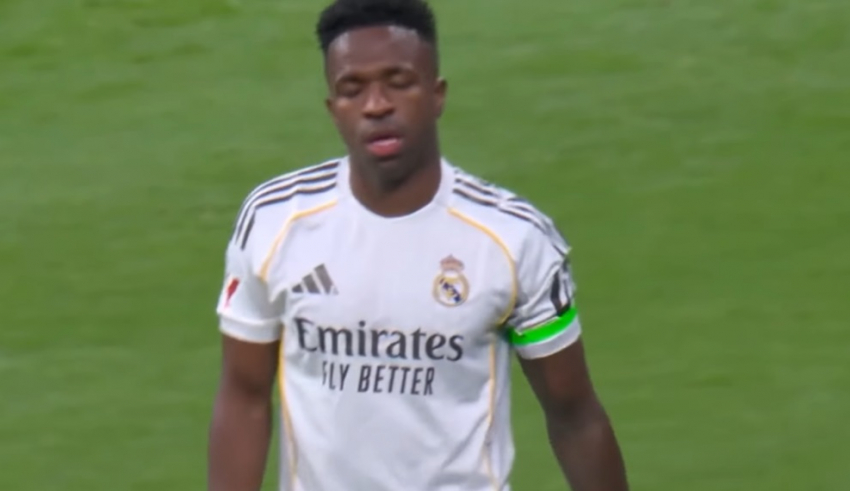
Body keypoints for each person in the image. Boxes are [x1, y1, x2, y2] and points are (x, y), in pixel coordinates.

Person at [207, 0, 629, 489]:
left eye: (399, 82)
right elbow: (244, 396)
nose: (376, 105)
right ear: (332, 109)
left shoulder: (514, 240)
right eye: (352, 89)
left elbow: (574, 415)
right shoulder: (275, 221)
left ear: (436, 95)